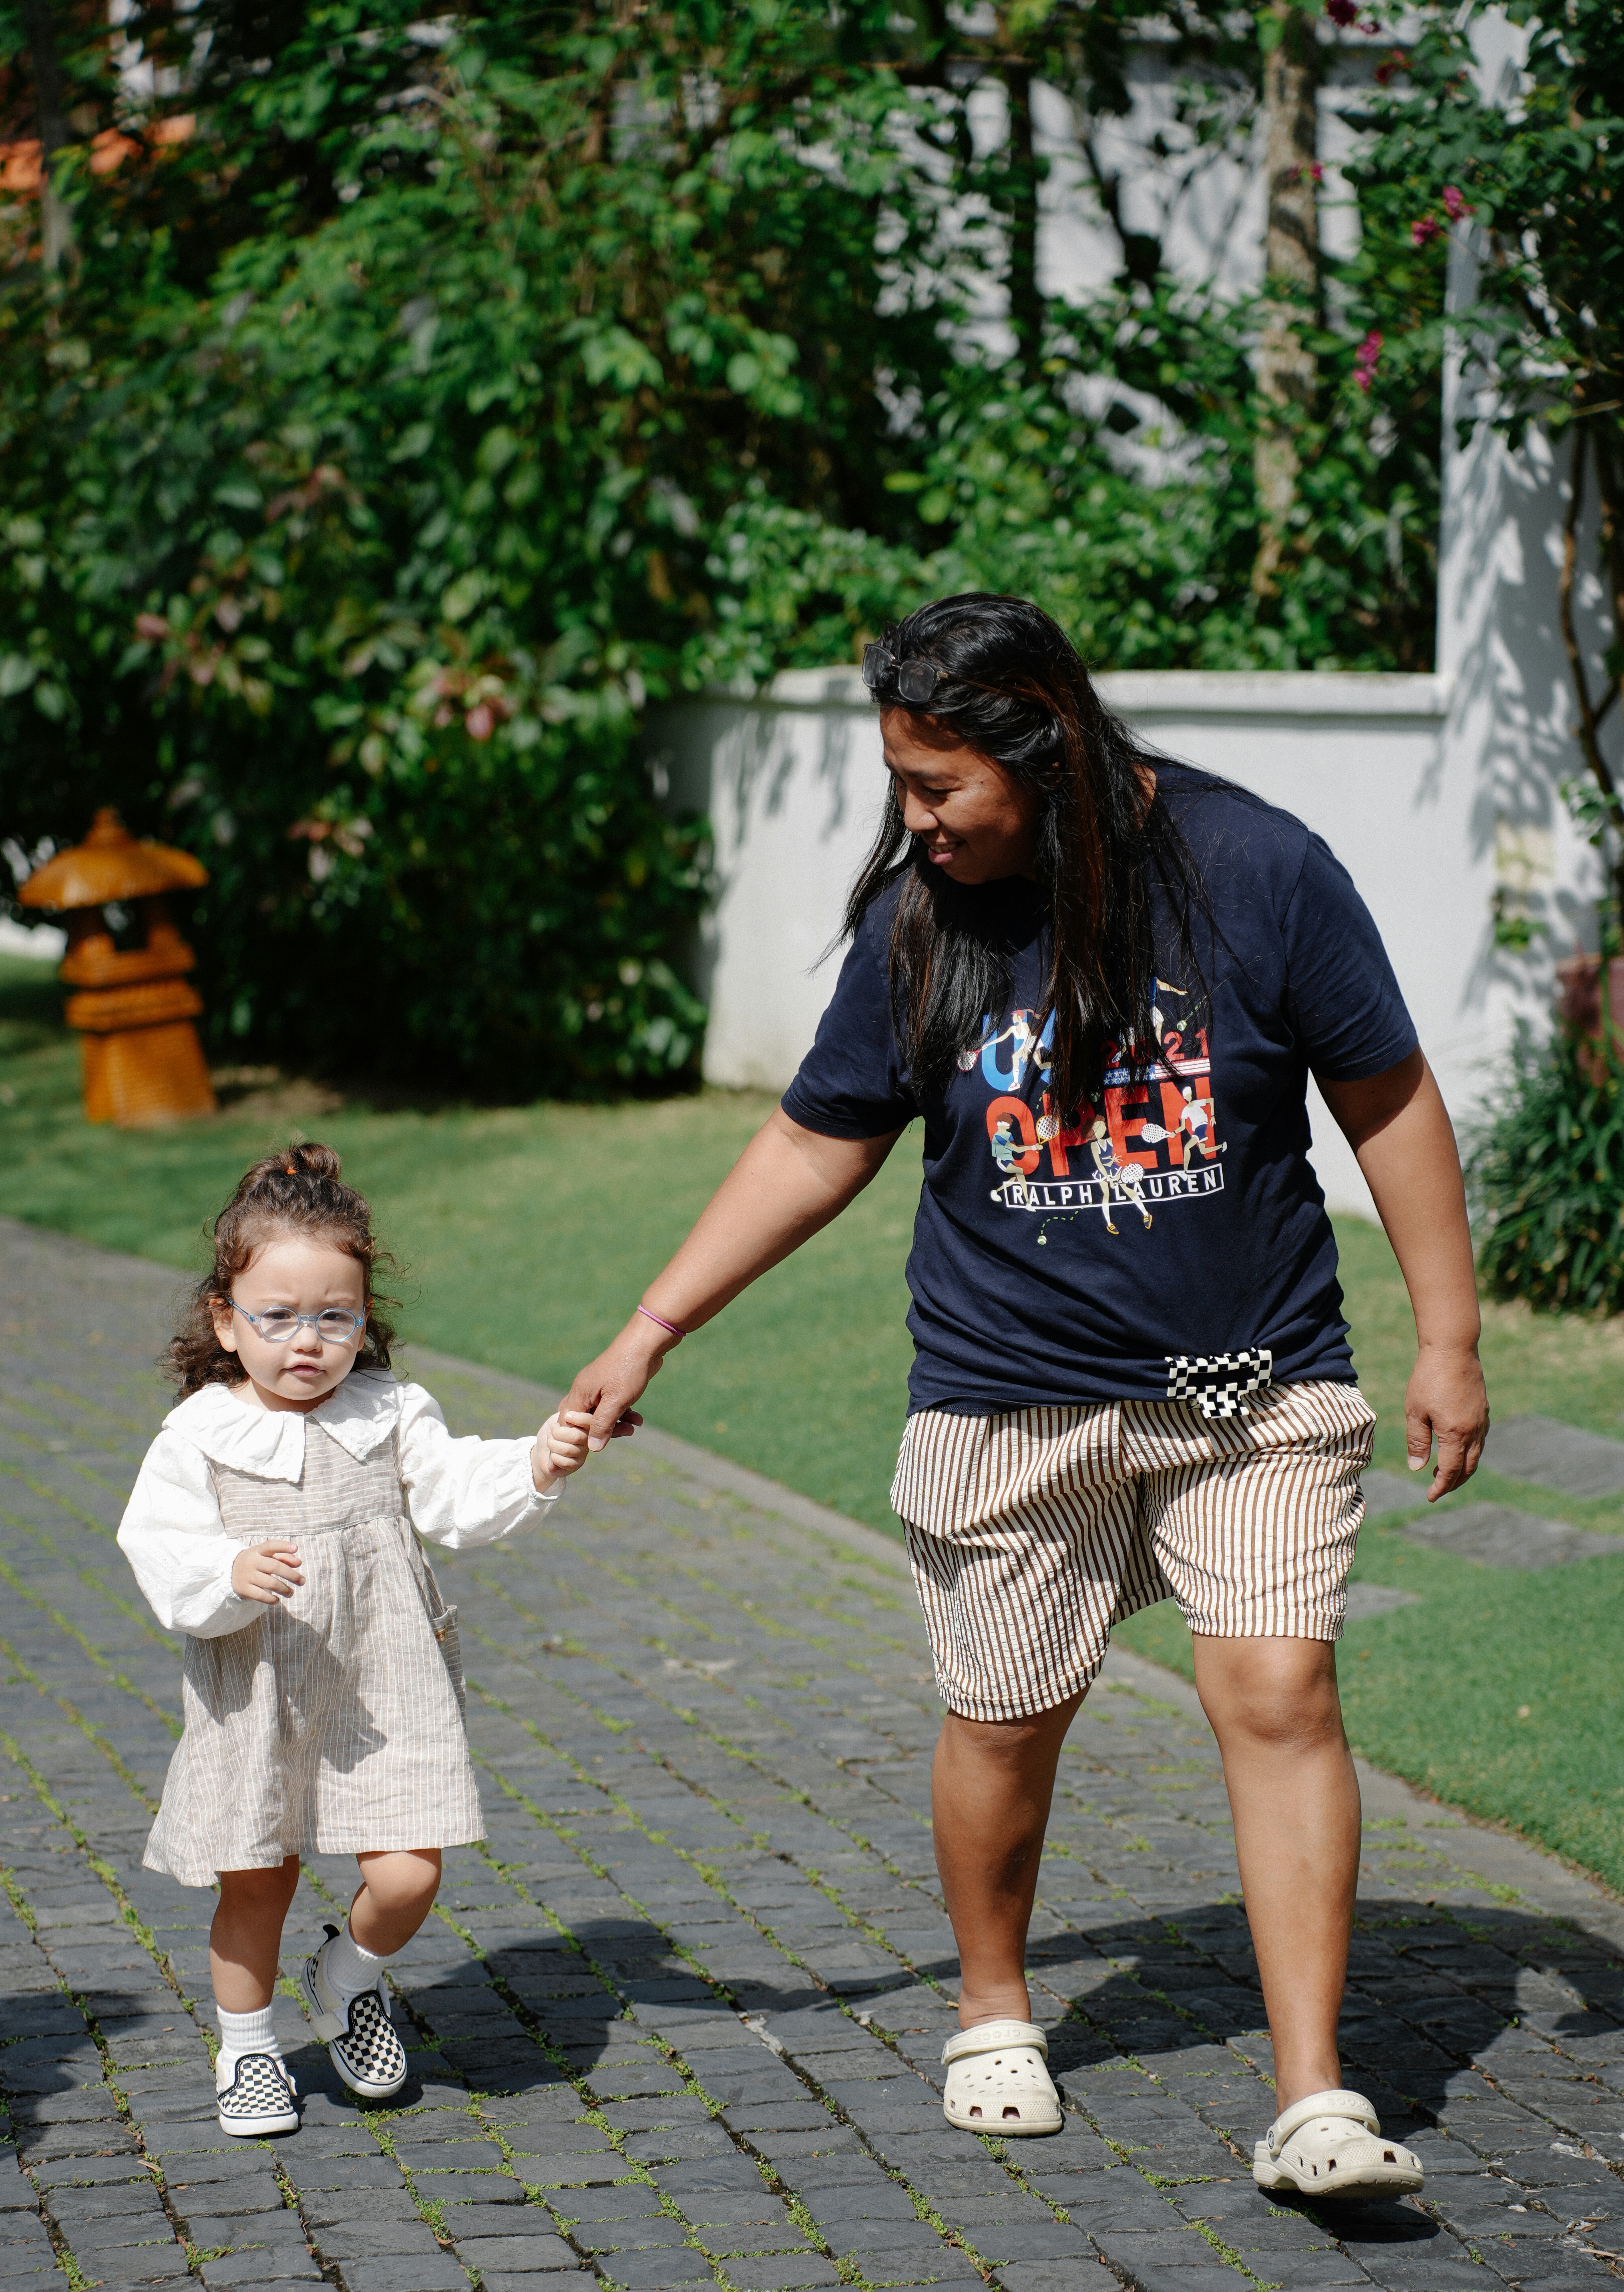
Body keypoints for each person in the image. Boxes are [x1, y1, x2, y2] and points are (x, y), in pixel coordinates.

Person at [564, 593, 1489, 2202]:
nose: (913, 822)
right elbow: (818, 1138)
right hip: (1010, 1395)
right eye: (899, 785)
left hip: (1250, 1384)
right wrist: (654, 1324)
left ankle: (1314, 2094)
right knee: (1005, 1713)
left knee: (1278, 1691)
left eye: (939, 787)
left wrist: (1448, 1335)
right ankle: (992, 2009)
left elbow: (1385, 1095)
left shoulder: (1259, 869)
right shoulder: (921, 917)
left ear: (1046, 748)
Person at [119, 1143, 592, 2138]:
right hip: (261, 1691)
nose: (308, 1341)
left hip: (383, 1683)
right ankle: (247, 2048)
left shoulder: (389, 1412)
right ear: (225, 1320)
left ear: (365, 1319)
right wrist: (229, 1572)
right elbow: (158, 1547)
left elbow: (457, 1493)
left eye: (334, 1317)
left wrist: (540, 1460)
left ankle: (347, 1975)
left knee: (409, 1872)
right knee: (260, 1879)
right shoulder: (200, 1436)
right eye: (278, 1317)